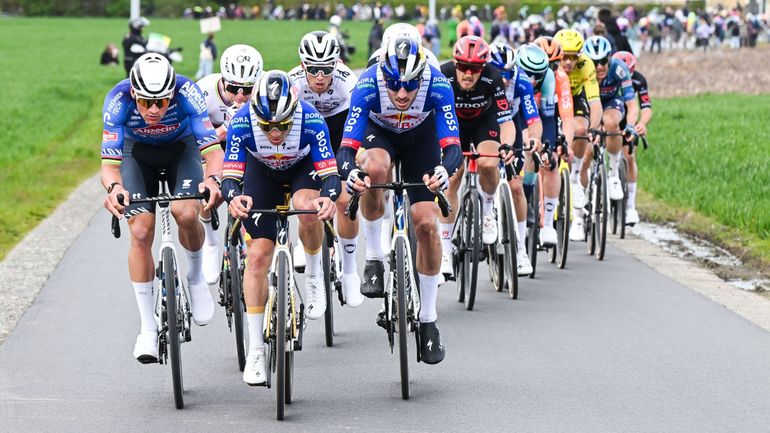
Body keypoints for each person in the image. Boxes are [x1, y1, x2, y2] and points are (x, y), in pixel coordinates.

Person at [335, 36, 462, 365]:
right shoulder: (366, 85)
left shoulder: (438, 84)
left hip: (422, 140)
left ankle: (430, 319)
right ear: (383, 76)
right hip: (382, 135)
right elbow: (347, 148)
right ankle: (375, 257)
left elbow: (453, 149)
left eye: (410, 86)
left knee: (425, 224)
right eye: (394, 85)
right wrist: (351, 171)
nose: (402, 94)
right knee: (374, 169)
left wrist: (442, 170)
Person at [221, 71, 341, 385]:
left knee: (307, 206)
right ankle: (257, 350)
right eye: (267, 126)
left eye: (282, 126)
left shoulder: (312, 120)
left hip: (302, 169)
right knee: (258, 256)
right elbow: (230, 178)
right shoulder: (242, 122)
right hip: (261, 173)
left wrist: (327, 199)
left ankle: (315, 272)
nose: (275, 134)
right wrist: (233, 198)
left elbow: (330, 175)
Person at [101, 53, 223, 363]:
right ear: (133, 94)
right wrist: (115, 189)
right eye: (145, 102)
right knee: (141, 231)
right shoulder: (117, 99)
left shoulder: (188, 92)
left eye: (161, 102)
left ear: (172, 94)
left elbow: (212, 151)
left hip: (181, 151)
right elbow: (109, 166)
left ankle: (195, 278)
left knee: (185, 212)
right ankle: (146, 326)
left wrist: (212, 180)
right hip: (137, 154)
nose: (153, 109)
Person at [288, 31, 360, 303]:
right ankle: (307, 240)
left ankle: (351, 270)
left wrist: (353, 158)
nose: (320, 76)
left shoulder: (347, 81)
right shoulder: (292, 82)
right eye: (314, 68)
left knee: (346, 198)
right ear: (302, 64)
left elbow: (359, 123)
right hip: (305, 133)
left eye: (327, 68)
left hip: (339, 128)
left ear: (337, 63)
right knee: (304, 194)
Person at [438, 36, 516, 277]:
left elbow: (506, 120)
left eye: (474, 69)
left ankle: (488, 209)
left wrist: (507, 145)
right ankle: (445, 249)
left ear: (483, 68)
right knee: (451, 179)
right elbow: (431, 118)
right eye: (462, 67)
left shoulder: (493, 76)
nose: (468, 74)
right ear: (454, 63)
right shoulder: (444, 74)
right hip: (454, 125)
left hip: (484, 122)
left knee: (488, 163)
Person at [196, 44, 264, 284]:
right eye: (233, 88)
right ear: (223, 80)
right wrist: (225, 129)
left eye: (246, 90)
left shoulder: (266, 91)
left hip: (251, 146)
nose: (239, 97)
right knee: (208, 187)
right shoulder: (204, 91)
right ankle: (210, 241)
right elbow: (195, 141)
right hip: (215, 146)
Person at [486, 42, 541, 275]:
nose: (504, 79)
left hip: (511, 129)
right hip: (485, 128)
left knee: (516, 186)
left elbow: (533, 118)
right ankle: (480, 215)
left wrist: (535, 138)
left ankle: (520, 249)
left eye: (508, 73)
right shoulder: (482, 79)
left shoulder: (521, 82)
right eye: (500, 73)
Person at [553, 29, 604, 241]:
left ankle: (574, 176)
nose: (568, 62)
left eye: (573, 57)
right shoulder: (550, 62)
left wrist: (593, 128)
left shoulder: (586, 65)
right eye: (564, 56)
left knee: (581, 130)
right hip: (552, 100)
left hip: (575, 100)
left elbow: (595, 102)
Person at [583, 36, 639, 205]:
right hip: (588, 105)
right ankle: (582, 196)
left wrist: (630, 125)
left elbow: (631, 103)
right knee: (586, 156)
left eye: (603, 61)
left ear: (609, 58)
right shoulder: (582, 70)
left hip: (611, 103)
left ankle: (613, 173)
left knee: (611, 122)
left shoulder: (619, 68)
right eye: (595, 62)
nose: (600, 66)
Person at [612, 51, 653, 225]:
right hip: (611, 114)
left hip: (630, 118)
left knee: (630, 157)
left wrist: (642, 124)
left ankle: (630, 206)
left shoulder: (639, 80)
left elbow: (646, 106)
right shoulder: (608, 75)